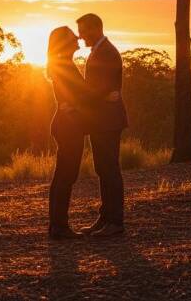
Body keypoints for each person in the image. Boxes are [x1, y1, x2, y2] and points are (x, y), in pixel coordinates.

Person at [76, 13, 127, 237]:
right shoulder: (99, 50)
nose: (80, 36)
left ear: (96, 28)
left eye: (83, 30)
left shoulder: (107, 51)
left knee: (110, 170)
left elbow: (102, 88)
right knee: (102, 169)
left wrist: (76, 100)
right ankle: (105, 217)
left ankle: (115, 222)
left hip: (108, 120)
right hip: (101, 120)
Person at [46, 26, 89, 240]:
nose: (78, 37)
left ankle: (57, 224)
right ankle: (59, 227)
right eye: (74, 36)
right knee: (66, 175)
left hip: (66, 124)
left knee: (62, 176)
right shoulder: (63, 66)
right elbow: (74, 95)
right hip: (68, 126)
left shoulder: (62, 64)